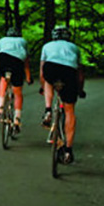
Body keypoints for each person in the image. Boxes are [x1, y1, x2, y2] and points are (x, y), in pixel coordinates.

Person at [39, 25, 86, 164]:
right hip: (69, 72)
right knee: (69, 110)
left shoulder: (47, 46)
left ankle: (48, 110)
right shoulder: (74, 48)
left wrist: (43, 87)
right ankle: (68, 150)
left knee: (48, 80)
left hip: (51, 69)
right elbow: (80, 74)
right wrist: (80, 89)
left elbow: (42, 72)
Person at [0, 26, 31, 133]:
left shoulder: (1, 41)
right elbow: (26, 61)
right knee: (18, 92)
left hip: (3, 59)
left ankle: (0, 105)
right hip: (17, 61)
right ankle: (17, 118)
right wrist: (28, 77)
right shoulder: (22, 41)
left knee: (3, 79)